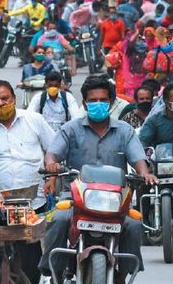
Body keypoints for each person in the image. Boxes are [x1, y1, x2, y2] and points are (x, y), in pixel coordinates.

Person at [39, 77, 158, 283]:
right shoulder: (70, 129)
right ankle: (54, 272)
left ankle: (122, 276)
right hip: (75, 196)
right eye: (92, 100)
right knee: (58, 220)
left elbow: (138, 159)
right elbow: (52, 154)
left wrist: (145, 172)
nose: (98, 104)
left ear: (111, 102)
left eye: (103, 100)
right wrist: (52, 164)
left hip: (115, 199)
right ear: (84, 103)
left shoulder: (124, 130)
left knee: (133, 225)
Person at [0, 80, 55, 284]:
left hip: (33, 201)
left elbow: (53, 152)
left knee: (30, 257)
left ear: (14, 98)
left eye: (5, 98)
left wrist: (52, 177)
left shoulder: (34, 120)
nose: (1, 104)